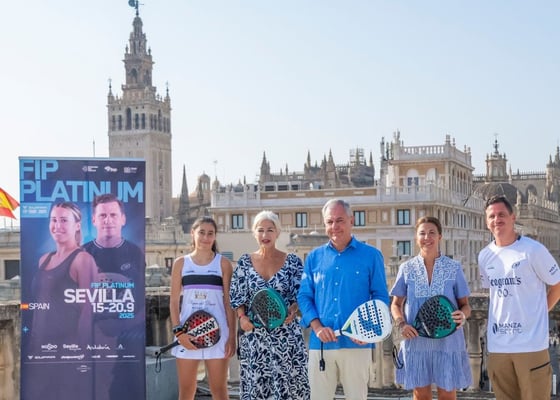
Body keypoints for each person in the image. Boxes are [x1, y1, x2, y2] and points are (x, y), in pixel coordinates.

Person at [298, 198, 389, 400]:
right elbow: (304, 296)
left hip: (357, 345)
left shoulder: (372, 255)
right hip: (321, 345)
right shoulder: (313, 258)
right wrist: (317, 328)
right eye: (330, 222)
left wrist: (367, 332)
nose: (334, 226)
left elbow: (380, 297)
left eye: (339, 220)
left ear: (351, 221)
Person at [478, 195, 560, 400]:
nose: (497, 220)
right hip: (498, 347)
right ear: (487, 222)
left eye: (501, 215)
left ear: (513, 217)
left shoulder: (533, 250)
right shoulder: (484, 256)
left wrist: (539, 313)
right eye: (492, 216)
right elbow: (494, 294)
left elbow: (557, 285)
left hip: (530, 346)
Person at [230, 210, 310, 400]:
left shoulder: (293, 262)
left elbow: (302, 294)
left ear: (278, 233)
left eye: (270, 230)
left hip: (286, 338)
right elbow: (237, 296)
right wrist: (242, 318)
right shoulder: (244, 262)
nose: (265, 235)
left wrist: (293, 310)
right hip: (255, 338)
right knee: (257, 390)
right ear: (254, 233)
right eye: (260, 230)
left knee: (290, 389)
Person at [390, 216, 472, 400]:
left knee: (447, 395)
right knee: (420, 395)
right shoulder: (406, 268)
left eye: (432, 232)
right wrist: (402, 324)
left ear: (440, 236)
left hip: (447, 340)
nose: (427, 237)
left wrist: (462, 315)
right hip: (416, 340)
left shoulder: (454, 268)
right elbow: (395, 304)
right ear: (416, 237)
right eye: (422, 233)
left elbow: (466, 306)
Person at [24, 201, 98, 400]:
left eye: (64, 220)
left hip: (68, 352)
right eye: (54, 220)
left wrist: (81, 354)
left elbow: (88, 311)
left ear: (77, 225)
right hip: (40, 350)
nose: (57, 225)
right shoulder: (44, 259)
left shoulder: (83, 260)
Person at [83, 193, 146, 400]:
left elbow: (140, 304)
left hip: (128, 345)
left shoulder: (135, 253)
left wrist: (122, 326)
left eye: (113, 215)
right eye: (102, 216)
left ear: (123, 219)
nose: (108, 220)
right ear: (94, 220)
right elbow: (73, 304)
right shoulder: (82, 254)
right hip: (90, 344)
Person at [170, 216, 236, 400]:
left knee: (219, 390)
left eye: (210, 233)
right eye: (202, 233)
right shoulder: (181, 263)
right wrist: (179, 333)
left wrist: (232, 337)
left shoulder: (223, 264)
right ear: (193, 234)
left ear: (215, 236)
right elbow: (173, 301)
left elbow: (229, 303)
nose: (206, 238)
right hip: (187, 334)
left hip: (218, 334)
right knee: (186, 391)